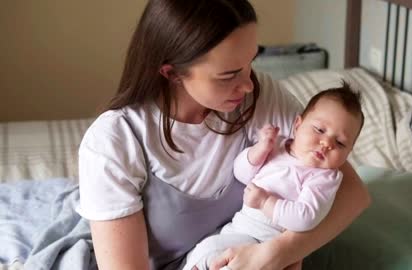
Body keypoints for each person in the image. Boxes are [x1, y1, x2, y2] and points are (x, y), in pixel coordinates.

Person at [75, 0, 371, 269]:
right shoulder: (115, 140)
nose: (248, 85)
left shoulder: (260, 95)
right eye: (229, 74)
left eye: (250, 62)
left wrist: (277, 253)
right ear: (172, 73)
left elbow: (353, 194)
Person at [182, 84, 364, 270]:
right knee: (204, 249)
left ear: (348, 153)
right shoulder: (277, 146)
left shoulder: (324, 178)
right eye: (319, 130)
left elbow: (306, 217)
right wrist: (258, 151)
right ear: (297, 125)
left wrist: (265, 202)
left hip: (267, 241)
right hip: (238, 229)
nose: (326, 143)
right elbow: (241, 173)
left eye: (340, 143)